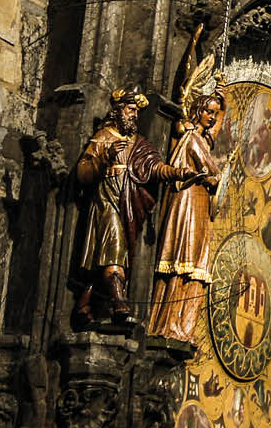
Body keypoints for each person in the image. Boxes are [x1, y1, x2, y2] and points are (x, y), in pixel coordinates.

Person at [74, 90, 197, 325]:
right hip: (105, 202)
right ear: (118, 111)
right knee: (115, 248)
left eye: (137, 112)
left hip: (128, 205)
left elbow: (155, 168)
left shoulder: (138, 144)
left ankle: (84, 303)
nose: (134, 116)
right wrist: (104, 158)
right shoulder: (104, 136)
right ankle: (119, 302)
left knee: (107, 253)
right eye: (131, 110)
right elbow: (82, 173)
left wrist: (178, 173)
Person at [148, 90, 225, 342]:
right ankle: (169, 323)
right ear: (196, 111)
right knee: (182, 260)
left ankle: (183, 325)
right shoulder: (192, 138)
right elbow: (210, 171)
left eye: (215, 114)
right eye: (208, 112)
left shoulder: (202, 138)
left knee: (195, 267)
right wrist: (216, 177)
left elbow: (213, 137)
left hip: (200, 204)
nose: (212, 118)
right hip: (188, 202)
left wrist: (223, 104)